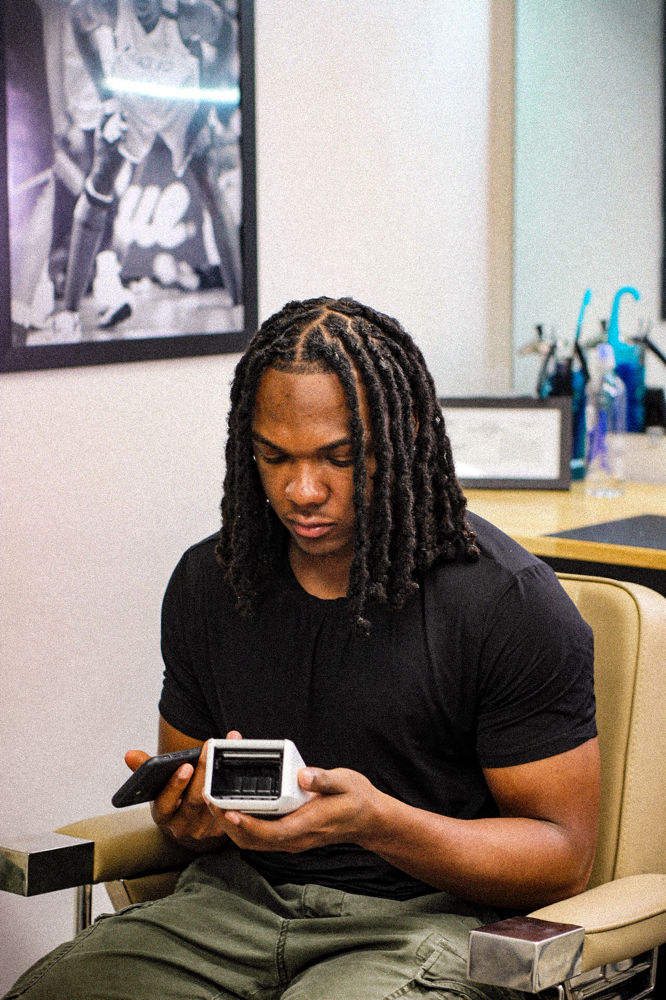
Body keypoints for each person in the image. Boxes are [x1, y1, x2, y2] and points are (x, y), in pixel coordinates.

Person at [5, 297, 600, 1000]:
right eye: (274, 457)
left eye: (339, 458)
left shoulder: (506, 601)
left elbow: (562, 857)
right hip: (232, 908)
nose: (302, 490)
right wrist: (189, 816)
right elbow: (195, 820)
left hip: (422, 923)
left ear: (404, 432)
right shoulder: (211, 582)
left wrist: (379, 824)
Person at [54, 0, 242, 339]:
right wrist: (106, 97)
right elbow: (78, 17)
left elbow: (227, 34)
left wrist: (208, 108)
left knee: (209, 182)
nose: (140, 6)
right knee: (100, 178)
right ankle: (68, 314)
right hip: (132, 97)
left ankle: (242, 307)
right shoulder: (112, 8)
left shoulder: (189, 12)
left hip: (181, 98)